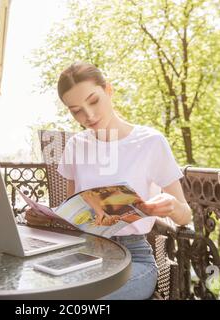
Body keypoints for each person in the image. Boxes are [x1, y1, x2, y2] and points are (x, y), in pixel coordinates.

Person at [26, 62, 192, 300]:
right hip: (84, 253)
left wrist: (173, 208)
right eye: (76, 110)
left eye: (93, 101)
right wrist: (45, 217)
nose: (89, 115)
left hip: (133, 258)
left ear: (109, 90)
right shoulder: (76, 145)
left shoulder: (151, 142)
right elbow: (71, 214)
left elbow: (186, 215)